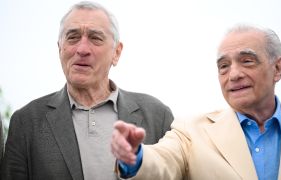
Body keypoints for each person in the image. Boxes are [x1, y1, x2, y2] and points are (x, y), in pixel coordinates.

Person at [111, 24, 281, 180]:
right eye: (224, 66)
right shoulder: (191, 132)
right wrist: (135, 157)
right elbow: (162, 161)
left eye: (247, 61)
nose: (234, 74)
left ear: (278, 68)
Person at [1, 1, 173, 180]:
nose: (82, 49)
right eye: (73, 37)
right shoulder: (27, 123)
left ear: (116, 52)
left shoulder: (157, 116)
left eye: (95, 38)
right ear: (60, 47)